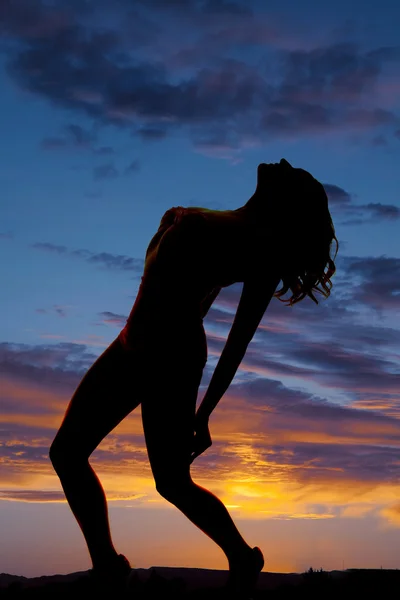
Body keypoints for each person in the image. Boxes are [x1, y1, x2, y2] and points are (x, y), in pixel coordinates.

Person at [49, 158, 338, 597]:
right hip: (131, 344)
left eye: (294, 171)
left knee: (170, 482)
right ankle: (107, 564)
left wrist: (203, 413)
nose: (282, 162)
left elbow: (237, 342)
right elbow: (183, 290)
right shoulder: (220, 218)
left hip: (170, 358)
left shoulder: (259, 246)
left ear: (286, 200)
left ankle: (242, 556)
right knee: (67, 453)